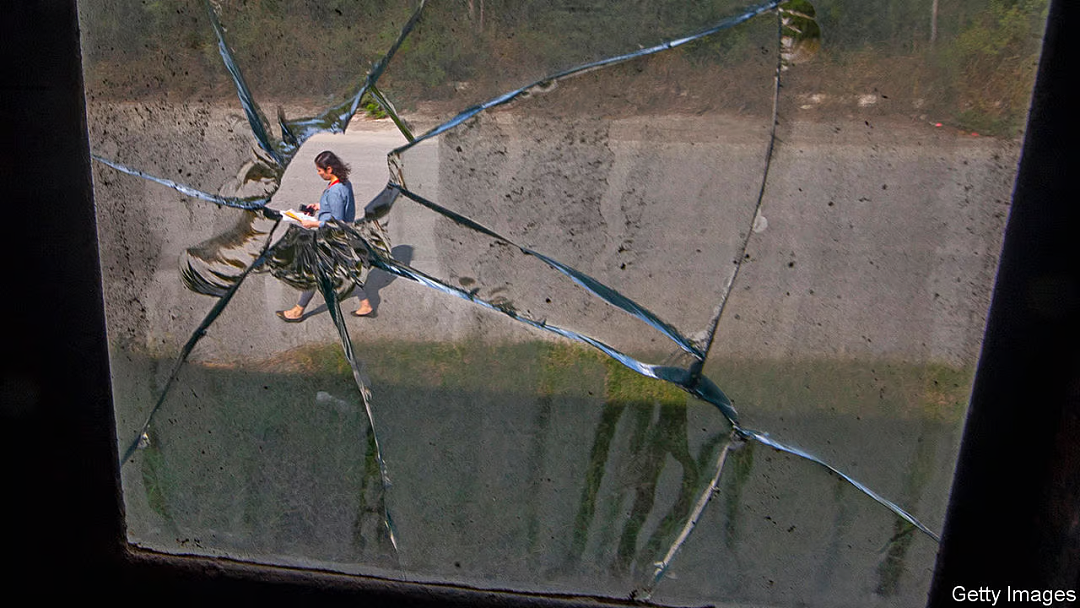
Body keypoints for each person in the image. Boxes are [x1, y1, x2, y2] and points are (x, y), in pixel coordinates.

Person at [276, 150, 374, 322]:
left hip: (331, 238)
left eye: (320, 170)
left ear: (329, 169)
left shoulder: (335, 191)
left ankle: (297, 311)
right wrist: (320, 206)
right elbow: (340, 205)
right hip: (342, 237)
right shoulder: (343, 183)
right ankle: (365, 305)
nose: (318, 173)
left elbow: (338, 221)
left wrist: (313, 223)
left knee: (314, 272)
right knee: (344, 273)